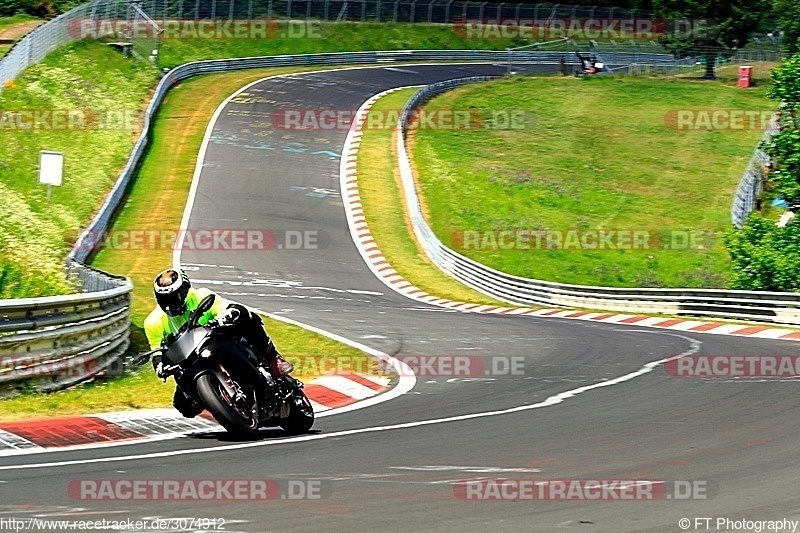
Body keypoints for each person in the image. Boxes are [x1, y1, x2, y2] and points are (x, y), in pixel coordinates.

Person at [144, 268, 285, 418]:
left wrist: (228, 314)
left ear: (185, 291)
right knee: (183, 405)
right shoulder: (152, 323)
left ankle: (273, 358)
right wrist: (159, 366)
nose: (169, 304)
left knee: (246, 317)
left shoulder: (201, 296)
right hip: (191, 359)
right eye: (163, 299)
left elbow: (223, 306)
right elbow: (157, 351)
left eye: (173, 297)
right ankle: (223, 402)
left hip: (219, 340)